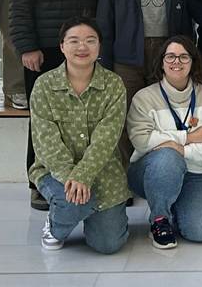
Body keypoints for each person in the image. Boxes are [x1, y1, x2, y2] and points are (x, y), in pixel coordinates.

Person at [11, 0, 106, 210]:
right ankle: (40, 182)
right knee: (43, 119)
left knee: (83, 117)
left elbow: (100, 2)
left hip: (84, 50)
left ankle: (81, 178)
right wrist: (27, 46)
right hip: (45, 48)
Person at [96, 0, 192, 165]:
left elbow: (184, 21)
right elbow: (105, 21)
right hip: (127, 53)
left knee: (162, 114)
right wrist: (104, 60)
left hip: (165, 53)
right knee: (124, 114)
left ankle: (157, 169)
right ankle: (125, 173)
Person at [30, 17, 130, 254]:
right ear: (62, 46)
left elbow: (106, 139)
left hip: (104, 171)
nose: (82, 47)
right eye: (74, 41)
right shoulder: (44, 85)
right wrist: (72, 178)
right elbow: (46, 142)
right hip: (55, 171)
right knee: (73, 202)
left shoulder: (114, 84)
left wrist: (84, 175)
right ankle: (57, 225)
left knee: (108, 245)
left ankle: (87, 210)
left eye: (90, 40)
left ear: (99, 46)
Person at [127, 36, 202, 248]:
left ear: (193, 62)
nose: (177, 62)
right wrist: (189, 138)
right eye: (171, 56)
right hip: (152, 172)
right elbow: (141, 140)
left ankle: (173, 203)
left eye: (184, 57)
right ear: (161, 62)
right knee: (168, 156)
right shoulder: (144, 97)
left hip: (197, 172)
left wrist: (183, 151)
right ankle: (159, 219)